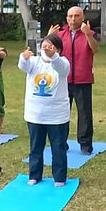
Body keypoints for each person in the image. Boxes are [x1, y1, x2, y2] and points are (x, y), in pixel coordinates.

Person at [19, 34, 71, 186]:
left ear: (58, 49)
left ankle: (60, 178)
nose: (46, 49)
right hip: (35, 115)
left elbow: (61, 69)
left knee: (58, 148)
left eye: (51, 46)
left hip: (57, 116)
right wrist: (24, 57)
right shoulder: (34, 62)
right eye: (44, 46)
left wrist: (53, 56)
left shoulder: (63, 62)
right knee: (35, 147)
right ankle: (34, 175)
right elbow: (23, 66)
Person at [48, 6, 100, 154]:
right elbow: (48, 52)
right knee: (62, 112)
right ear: (66, 18)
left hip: (83, 79)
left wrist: (88, 34)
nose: (73, 19)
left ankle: (85, 144)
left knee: (84, 113)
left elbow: (95, 49)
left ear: (82, 18)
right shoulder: (60, 35)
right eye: (70, 16)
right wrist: (48, 37)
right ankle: (61, 143)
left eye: (76, 16)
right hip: (64, 80)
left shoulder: (89, 33)